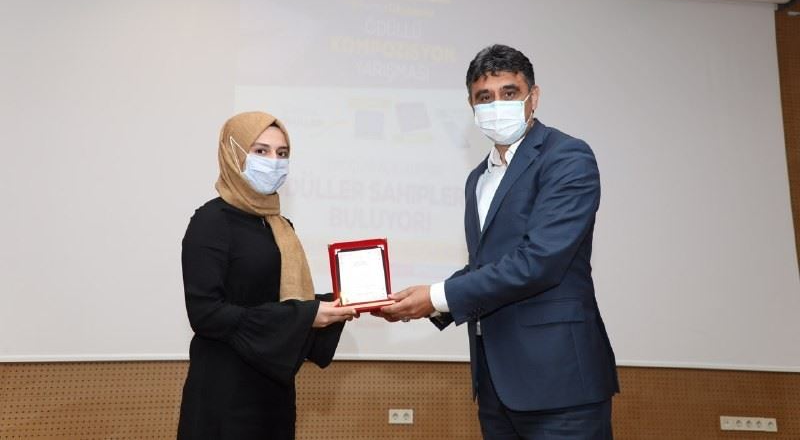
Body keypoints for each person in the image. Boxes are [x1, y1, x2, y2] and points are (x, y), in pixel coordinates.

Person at [378, 45, 619, 439]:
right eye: (484, 97)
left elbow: (538, 262)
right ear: (471, 106)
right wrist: (424, 304)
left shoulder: (567, 158)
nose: (497, 106)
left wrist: (437, 296)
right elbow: (486, 265)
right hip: (495, 384)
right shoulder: (478, 177)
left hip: (560, 383)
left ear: (533, 97)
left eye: (509, 93)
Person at [177, 111, 357, 440]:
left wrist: (335, 304)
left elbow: (281, 300)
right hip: (225, 391)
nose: (274, 161)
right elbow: (206, 313)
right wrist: (306, 315)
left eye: (282, 153)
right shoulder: (211, 221)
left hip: (273, 392)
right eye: (261, 151)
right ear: (233, 153)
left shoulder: (279, 225)